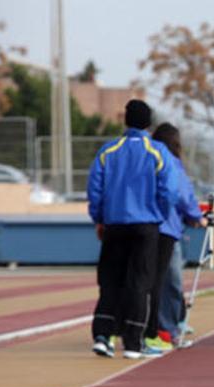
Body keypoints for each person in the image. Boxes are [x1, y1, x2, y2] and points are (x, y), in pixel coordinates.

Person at [87, 99, 177, 359]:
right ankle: (133, 343)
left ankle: (103, 336)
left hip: (114, 224)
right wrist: (158, 214)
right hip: (146, 225)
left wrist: (100, 218)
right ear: (149, 123)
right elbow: (169, 191)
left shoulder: (108, 150)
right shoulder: (158, 151)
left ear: (125, 120)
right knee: (140, 282)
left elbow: (95, 190)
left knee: (110, 280)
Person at [149, 123, 207, 350]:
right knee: (169, 282)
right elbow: (182, 195)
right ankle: (167, 330)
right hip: (165, 229)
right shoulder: (171, 164)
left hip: (148, 227)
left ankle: (150, 328)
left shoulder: (148, 160)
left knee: (148, 281)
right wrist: (196, 216)